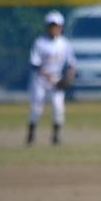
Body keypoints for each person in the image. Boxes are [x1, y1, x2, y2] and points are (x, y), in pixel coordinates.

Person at [26, 10, 76, 146]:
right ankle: (30, 135)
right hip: (39, 80)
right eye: (51, 25)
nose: (53, 28)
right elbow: (35, 64)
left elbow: (71, 64)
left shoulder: (64, 44)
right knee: (36, 108)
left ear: (61, 27)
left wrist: (69, 78)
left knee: (58, 108)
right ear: (47, 26)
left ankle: (55, 137)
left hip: (57, 80)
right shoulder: (39, 42)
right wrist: (50, 78)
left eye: (56, 26)